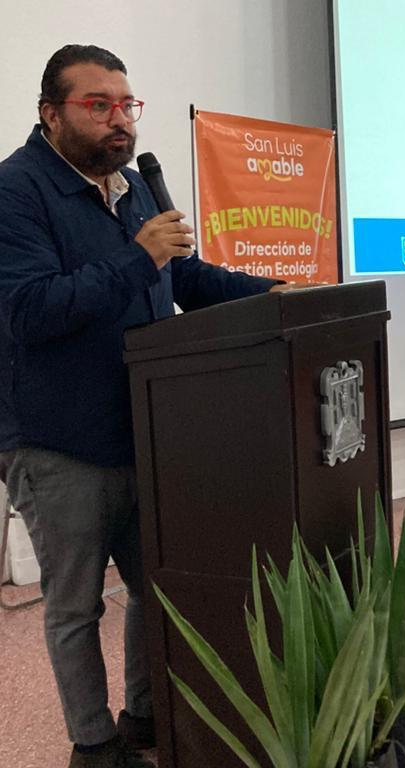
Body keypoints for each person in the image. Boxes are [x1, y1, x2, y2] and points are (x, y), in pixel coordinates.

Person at [0, 45, 288, 768]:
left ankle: (143, 715)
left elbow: (184, 275)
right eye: (98, 105)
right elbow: (30, 310)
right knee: (76, 606)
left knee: (157, 585)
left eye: (126, 105)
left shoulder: (132, 187)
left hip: (149, 426)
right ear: (51, 114)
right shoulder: (15, 190)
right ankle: (94, 746)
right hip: (58, 440)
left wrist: (274, 296)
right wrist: (140, 256)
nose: (119, 120)